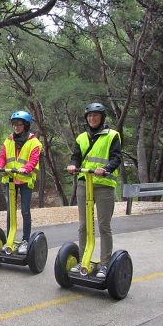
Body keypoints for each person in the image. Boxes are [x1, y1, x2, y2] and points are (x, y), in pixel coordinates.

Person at [67, 102, 121, 278]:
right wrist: (73, 166)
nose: (92, 118)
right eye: (89, 116)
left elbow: (116, 158)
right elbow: (76, 157)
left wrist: (106, 169)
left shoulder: (112, 135)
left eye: (95, 115)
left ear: (102, 117)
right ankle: (84, 260)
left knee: (104, 226)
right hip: (85, 183)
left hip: (104, 185)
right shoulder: (81, 137)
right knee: (83, 226)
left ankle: (105, 264)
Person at [0, 110, 43, 254]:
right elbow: (3, 156)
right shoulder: (8, 140)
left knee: (25, 211)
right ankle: (10, 239)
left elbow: (33, 160)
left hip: (25, 180)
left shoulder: (34, 142)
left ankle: (25, 241)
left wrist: (25, 168)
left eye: (19, 124)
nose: (16, 127)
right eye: (14, 124)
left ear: (26, 125)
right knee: (11, 212)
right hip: (10, 180)